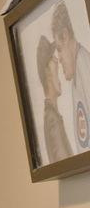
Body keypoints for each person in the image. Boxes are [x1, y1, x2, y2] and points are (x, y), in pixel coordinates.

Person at [51, 3, 90, 149]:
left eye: (59, 49)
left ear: (66, 36)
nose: (59, 59)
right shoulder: (77, 74)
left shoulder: (85, 66)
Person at [38, 36, 70, 164]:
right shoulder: (52, 120)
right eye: (53, 59)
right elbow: (66, 165)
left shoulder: (52, 116)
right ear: (47, 72)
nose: (57, 61)